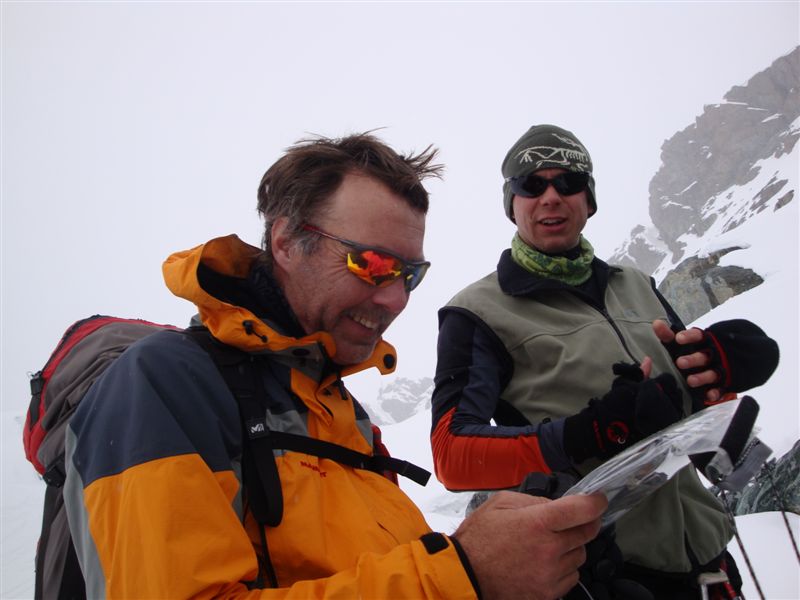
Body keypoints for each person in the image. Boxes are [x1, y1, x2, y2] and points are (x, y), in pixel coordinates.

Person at [62, 132, 608, 599]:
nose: (396, 299)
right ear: (286, 242)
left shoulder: (344, 417)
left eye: (410, 275)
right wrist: (463, 574)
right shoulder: (165, 385)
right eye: (371, 263)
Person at [431, 124, 779, 599]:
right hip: (598, 577)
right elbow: (452, 456)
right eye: (531, 184)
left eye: (569, 182)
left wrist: (724, 367)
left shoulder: (636, 285)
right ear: (512, 204)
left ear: (589, 198)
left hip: (710, 564)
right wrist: (589, 432)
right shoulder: (477, 312)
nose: (551, 196)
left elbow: (695, 406)